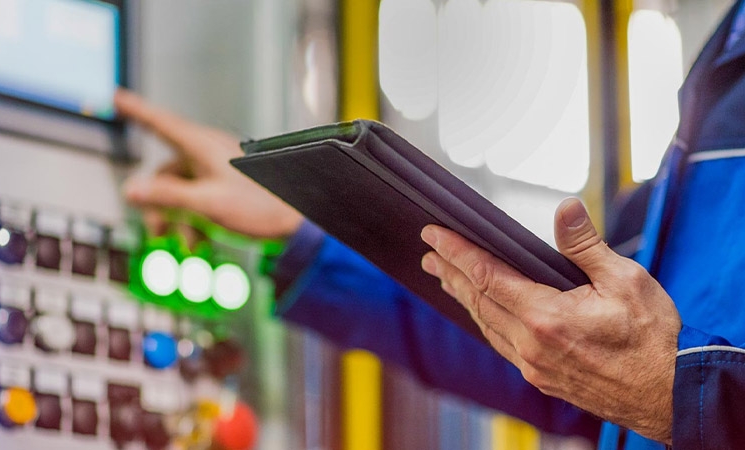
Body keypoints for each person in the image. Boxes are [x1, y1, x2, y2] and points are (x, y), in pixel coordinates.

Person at [119, 1, 745, 447]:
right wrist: (305, 223)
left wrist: (680, 394)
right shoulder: (726, 56)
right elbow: (558, 358)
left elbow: (655, 383)